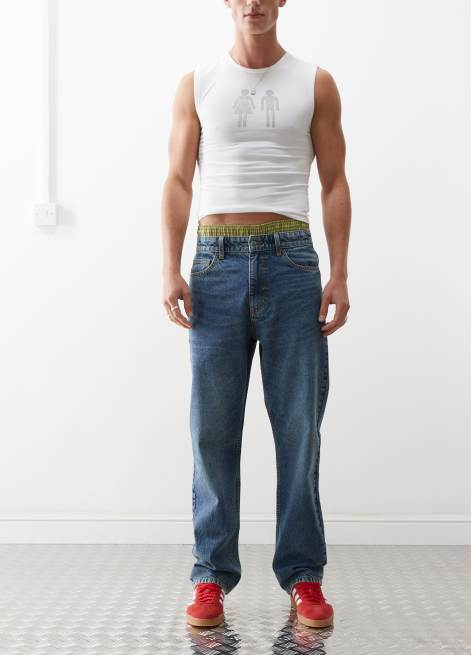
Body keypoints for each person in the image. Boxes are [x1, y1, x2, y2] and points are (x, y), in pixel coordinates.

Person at [160, 0, 351, 630]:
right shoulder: (197, 83)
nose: (254, 3)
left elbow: (334, 181)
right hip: (214, 265)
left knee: (300, 429)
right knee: (211, 429)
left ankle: (303, 575)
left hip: (292, 263)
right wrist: (169, 266)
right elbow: (179, 179)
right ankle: (210, 575)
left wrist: (340, 273)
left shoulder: (315, 82)